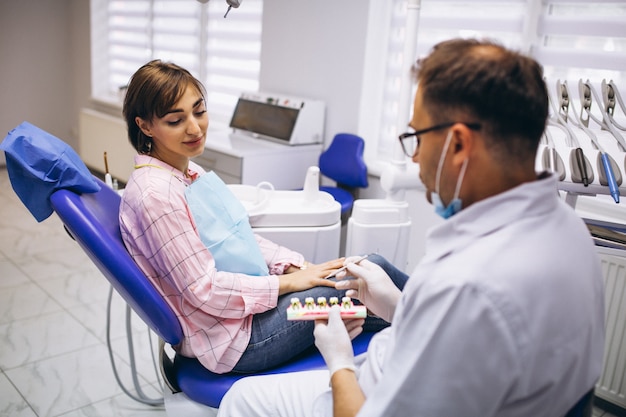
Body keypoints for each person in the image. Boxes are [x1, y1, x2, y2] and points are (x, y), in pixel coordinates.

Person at [216, 38, 606, 416]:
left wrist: (338, 361)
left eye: (416, 136)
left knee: (243, 399)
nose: (416, 156)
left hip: (366, 395)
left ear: (457, 144)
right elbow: (470, 347)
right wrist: (398, 307)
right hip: (411, 374)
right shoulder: (568, 229)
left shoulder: (466, 285)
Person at [119, 60, 409, 374]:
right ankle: (441, 327)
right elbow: (205, 290)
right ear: (145, 126)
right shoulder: (156, 195)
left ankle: (436, 323)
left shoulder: (186, 171)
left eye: (199, 112)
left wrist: (299, 268)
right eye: (176, 120)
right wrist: (287, 283)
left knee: (365, 272)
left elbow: (239, 237)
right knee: (364, 280)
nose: (194, 127)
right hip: (239, 339)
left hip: (248, 316)